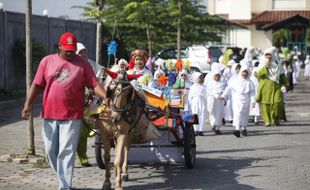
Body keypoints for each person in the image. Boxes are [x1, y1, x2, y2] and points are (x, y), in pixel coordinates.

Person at [21, 32, 107, 190]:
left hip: (73, 115)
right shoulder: (47, 61)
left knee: (66, 151)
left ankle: (65, 186)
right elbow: (37, 84)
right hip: (49, 113)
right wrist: (28, 104)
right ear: (59, 47)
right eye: (66, 49)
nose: (69, 52)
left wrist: (105, 97)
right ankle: (63, 177)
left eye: (72, 50)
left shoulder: (83, 64)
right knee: (50, 151)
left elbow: (94, 84)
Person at [75, 42, 104, 167]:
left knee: (85, 130)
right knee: (79, 131)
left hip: (91, 102)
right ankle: (81, 157)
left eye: (84, 51)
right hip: (75, 103)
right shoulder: (72, 65)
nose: (82, 54)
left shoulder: (92, 64)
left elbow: (101, 74)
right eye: (79, 52)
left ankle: (81, 156)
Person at [256, 47, 289, 127]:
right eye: (266, 55)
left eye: (269, 55)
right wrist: (266, 66)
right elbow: (259, 74)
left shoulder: (277, 64)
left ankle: (276, 118)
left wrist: (286, 84)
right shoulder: (262, 63)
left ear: (273, 55)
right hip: (265, 87)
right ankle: (267, 121)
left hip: (276, 87)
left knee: (277, 103)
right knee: (265, 104)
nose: (268, 57)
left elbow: (282, 75)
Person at [221, 65, 255, 137]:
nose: (244, 74)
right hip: (237, 100)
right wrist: (223, 96)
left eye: (246, 72)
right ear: (240, 72)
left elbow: (252, 93)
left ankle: (243, 128)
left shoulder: (250, 82)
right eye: (243, 72)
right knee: (237, 114)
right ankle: (237, 129)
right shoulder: (235, 80)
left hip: (246, 101)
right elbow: (228, 88)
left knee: (245, 115)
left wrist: (253, 101)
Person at [206, 69, 226, 134]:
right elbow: (210, 92)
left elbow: (224, 91)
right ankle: (213, 125)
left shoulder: (222, 84)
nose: (217, 78)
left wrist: (223, 97)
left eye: (218, 76)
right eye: (215, 76)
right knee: (212, 113)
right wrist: (216, 95)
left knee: (219, 114)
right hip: (212, 100)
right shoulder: (209, 83)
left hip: (220, 101)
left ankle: (217, 127)